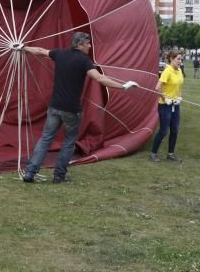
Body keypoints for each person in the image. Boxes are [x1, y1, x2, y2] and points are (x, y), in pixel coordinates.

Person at [21, 32, 137, 183]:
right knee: (69, 141)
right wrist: (123, 87)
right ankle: (59, 175)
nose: (90, 46)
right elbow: (100, 78)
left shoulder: (60, 54)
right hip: (71, 110)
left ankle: (30, 172)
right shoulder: (84, 61)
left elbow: (40, 51)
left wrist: (23, 48)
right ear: (79, 44)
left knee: (45, 138)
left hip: (55, 107)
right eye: (87, 43)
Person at [150, 50, 184, 162]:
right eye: (178, 59)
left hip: (175, 105)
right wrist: (165, 99)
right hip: (165, 105)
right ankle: (153, 153)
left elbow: (179, 86)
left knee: (174, 130)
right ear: (171, 59)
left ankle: (170, 154)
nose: (180, 61)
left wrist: (179, 97)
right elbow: (157, 87)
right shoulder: (167, 71)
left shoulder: (179, 71)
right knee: (164, 130)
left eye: (181, 59)